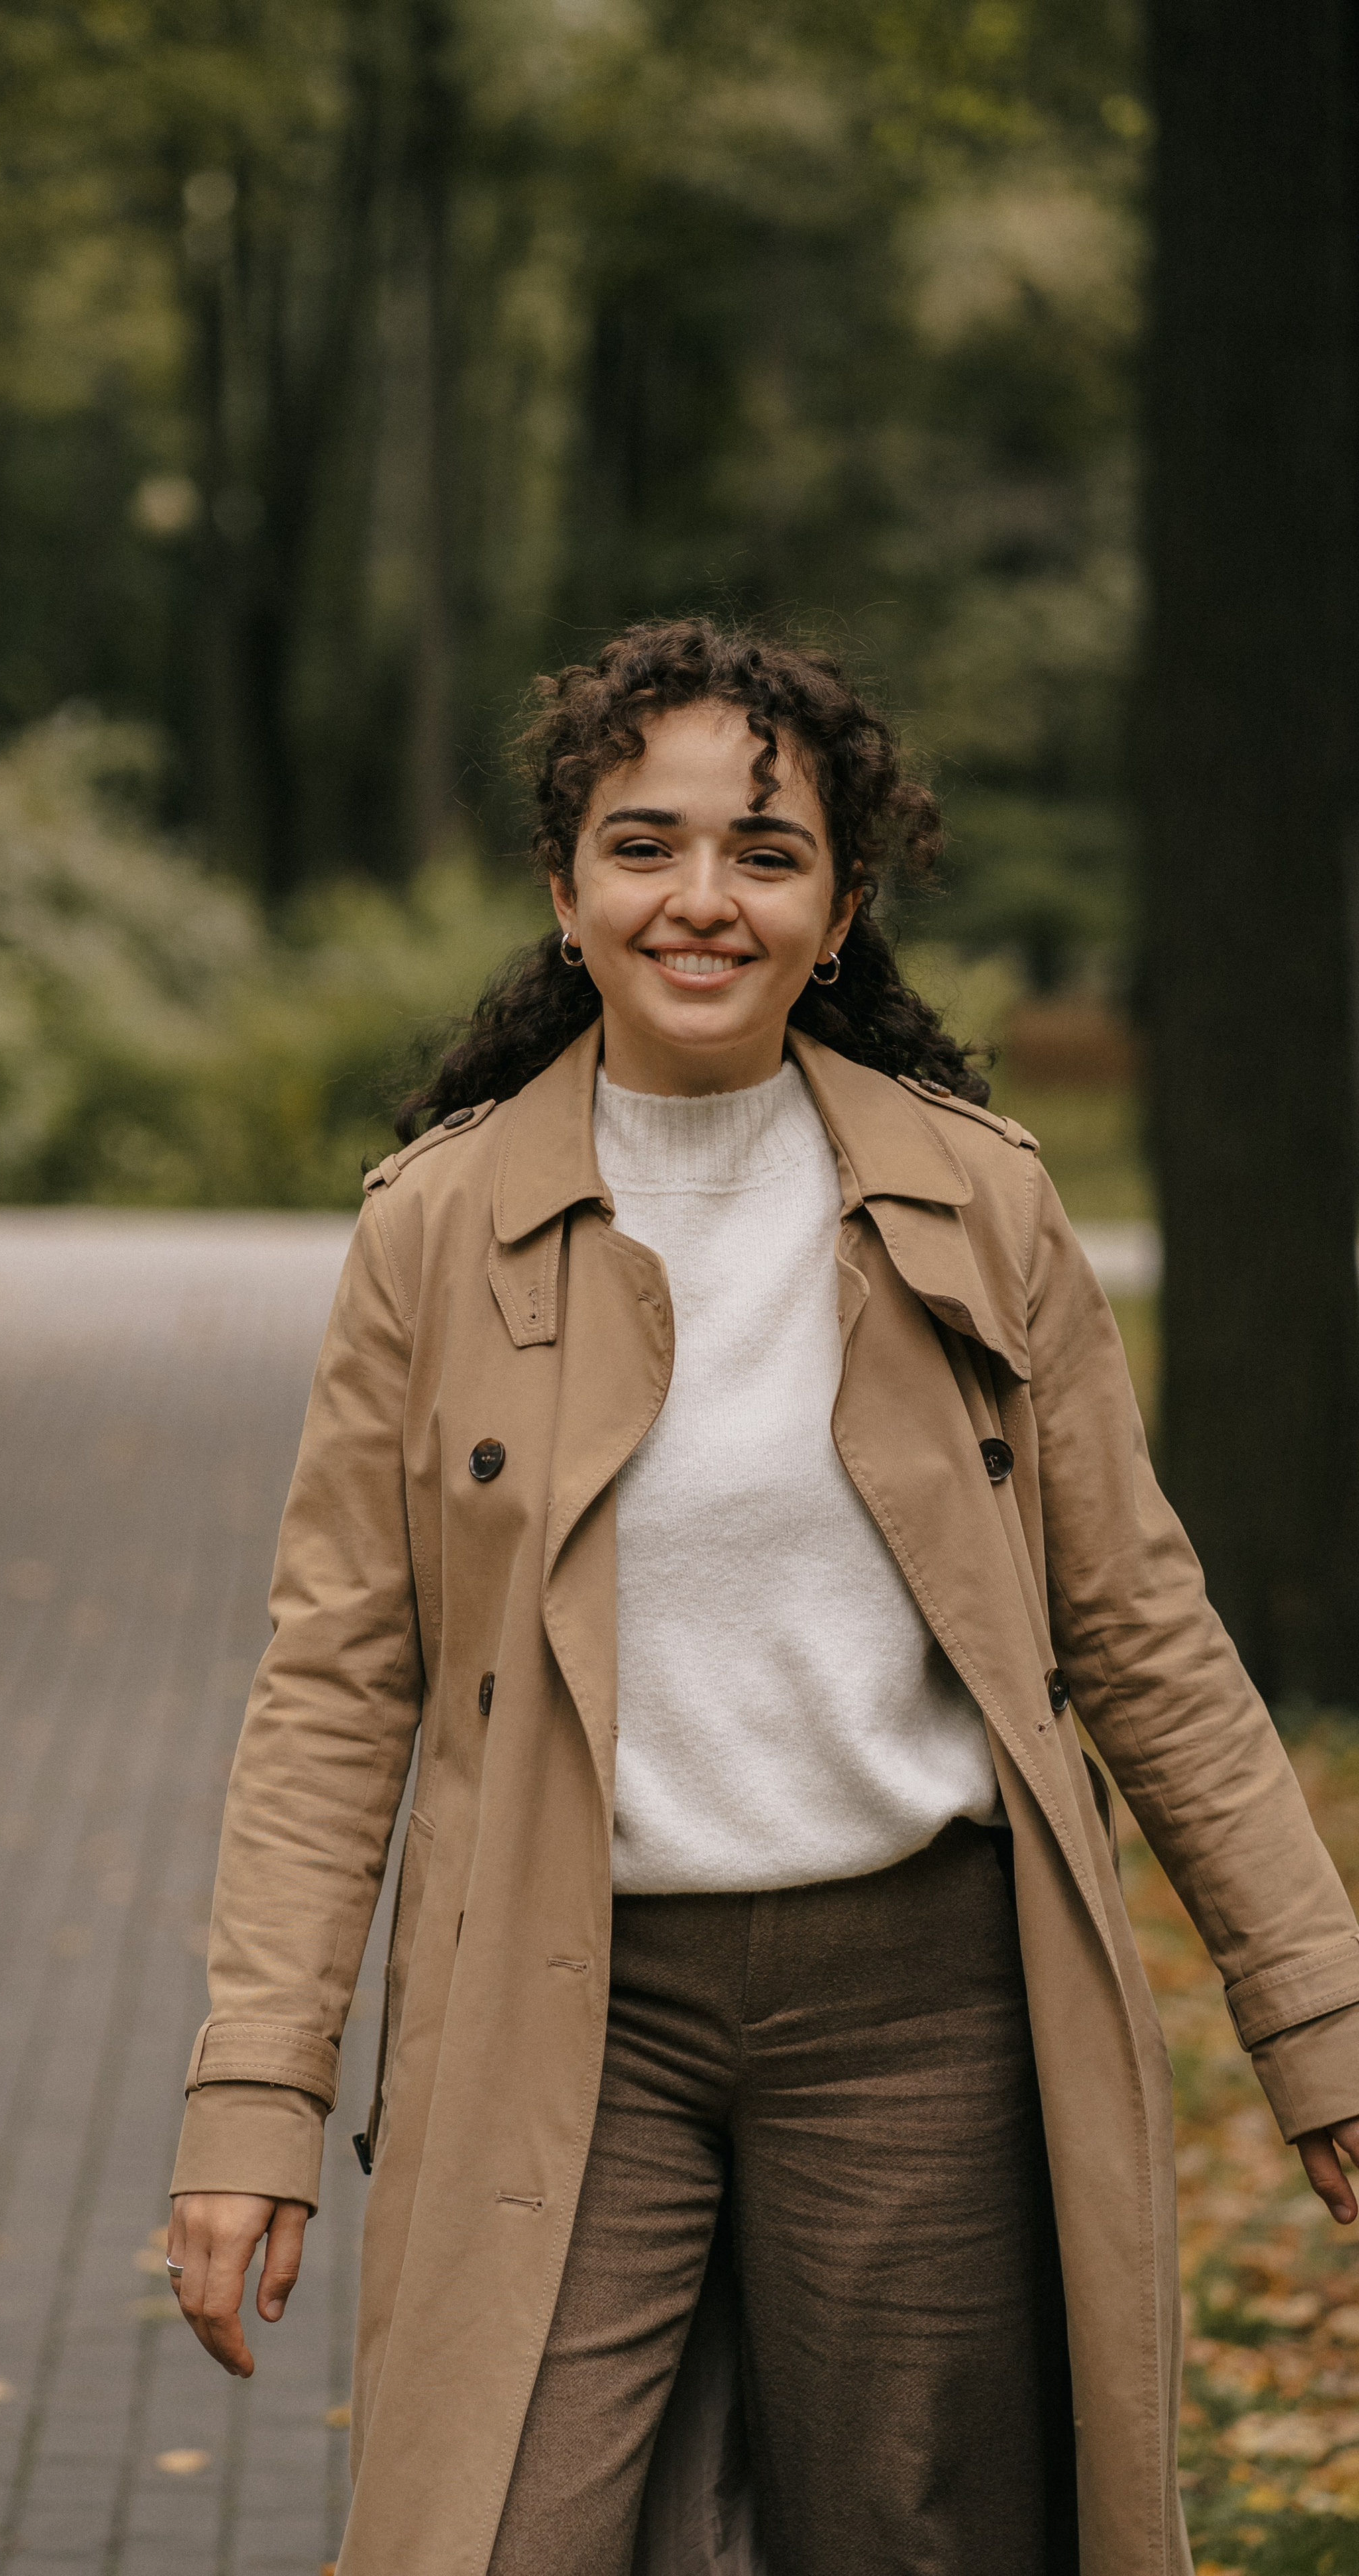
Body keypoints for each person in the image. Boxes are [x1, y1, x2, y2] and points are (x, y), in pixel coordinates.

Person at [165, 619, 1359, 2576]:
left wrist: (1319, 2016)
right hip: (566, 2006)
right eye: (643, 845)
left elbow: (1145, 1637)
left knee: (916, 2536)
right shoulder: (435, 1229)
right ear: (566, 893)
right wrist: (253, 2101)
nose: (702, 899)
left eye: (767, 852)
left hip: (923, 2014)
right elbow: (337, 1687)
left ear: (840, 908)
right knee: (501, 2529)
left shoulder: (978, 1204)